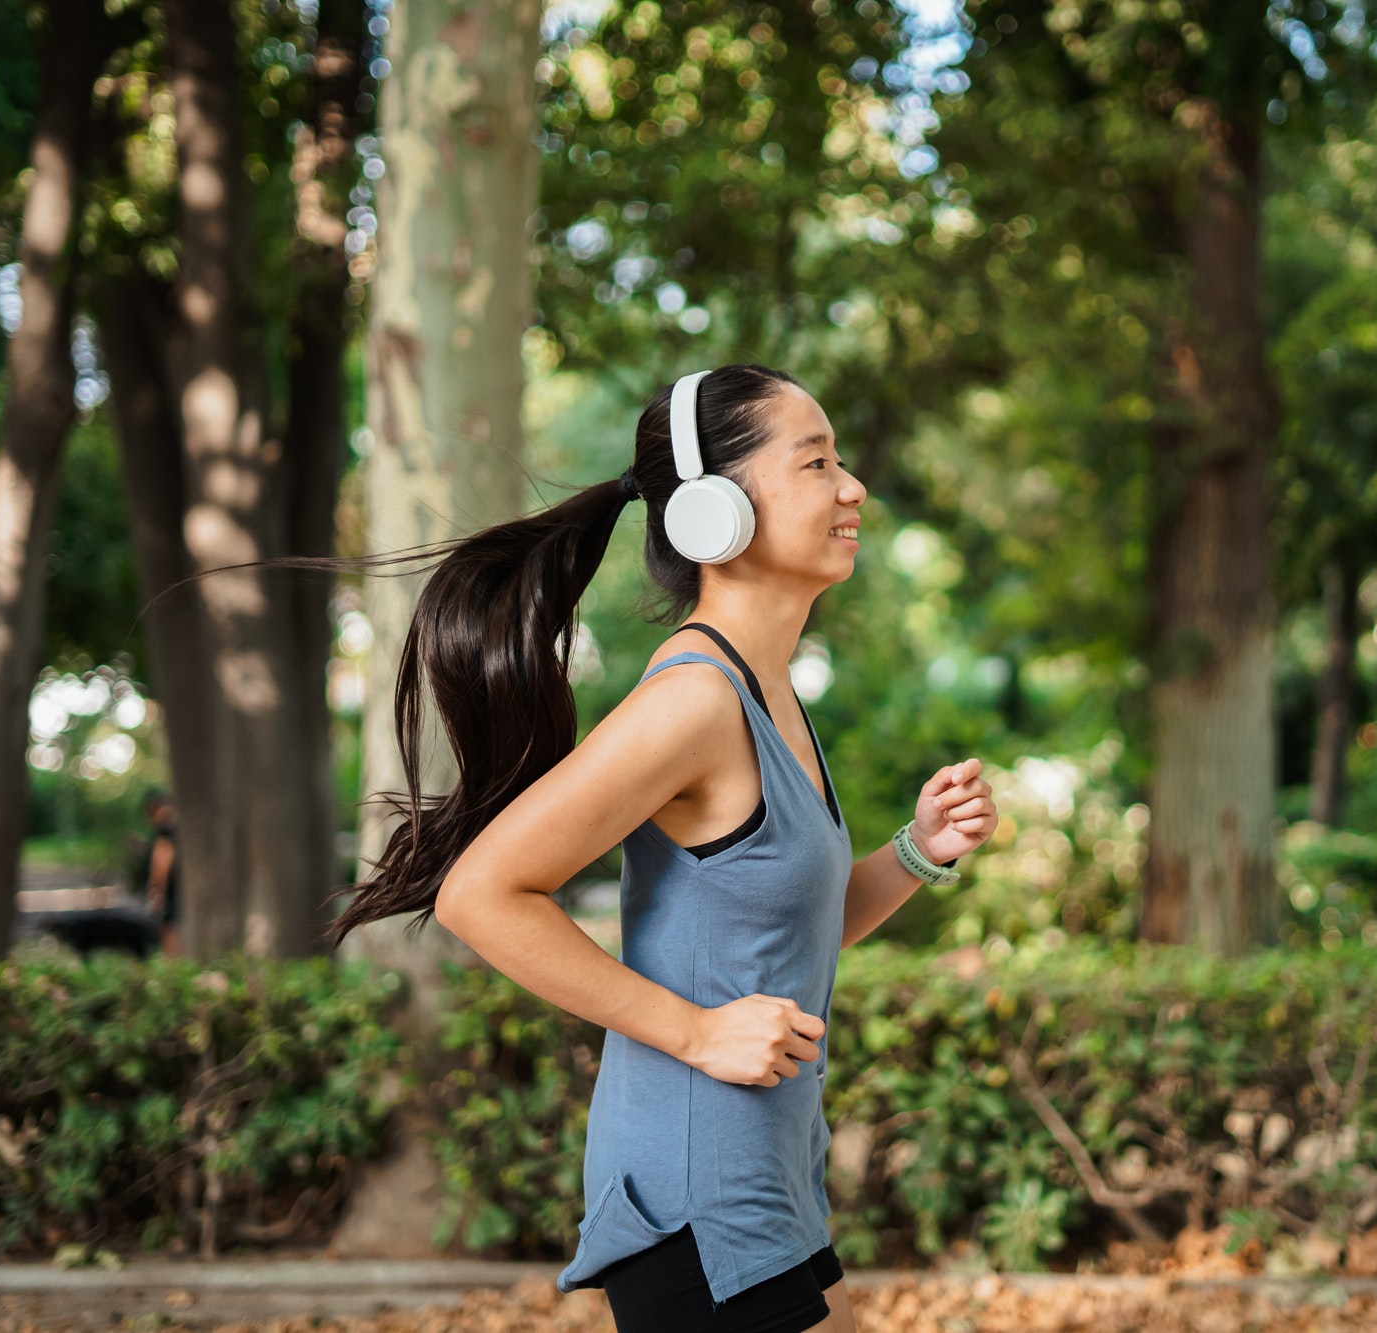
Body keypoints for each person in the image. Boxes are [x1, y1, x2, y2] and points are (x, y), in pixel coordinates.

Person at [331, 364, 999, 1333]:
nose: (852, 487)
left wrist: (914, 850)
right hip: (699, 1194)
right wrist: (692, 1031)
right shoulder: (694, 698)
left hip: (766, 1173)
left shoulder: (763, 690)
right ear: (711, 513)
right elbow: (483, 891)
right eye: (815, 462)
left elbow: (781, 936)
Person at [141, 789, 180, 957]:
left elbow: (161, 865)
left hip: (168, 891)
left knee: (168, 930)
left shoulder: (163, 836)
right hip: (173, 890)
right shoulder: (172, 830)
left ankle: (172, 967)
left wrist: (156, 890)